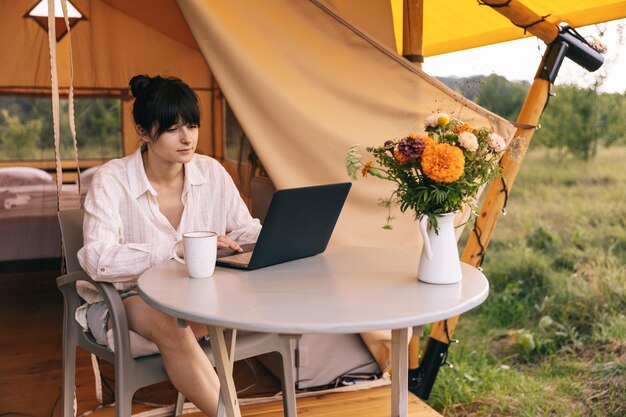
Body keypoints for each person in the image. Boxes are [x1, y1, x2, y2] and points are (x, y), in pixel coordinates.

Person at [76, 74, 261, 416]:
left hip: (196, 296)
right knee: (169, 324)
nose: (187, 137)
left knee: (187, 319)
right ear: (145, 132)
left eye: (192, 125)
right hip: (126, 299)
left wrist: (274, 237)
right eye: (174, 128)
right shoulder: (111, 180)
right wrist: (175, 250)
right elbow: (98, 259)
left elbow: (244, 228)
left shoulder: (212, 172)